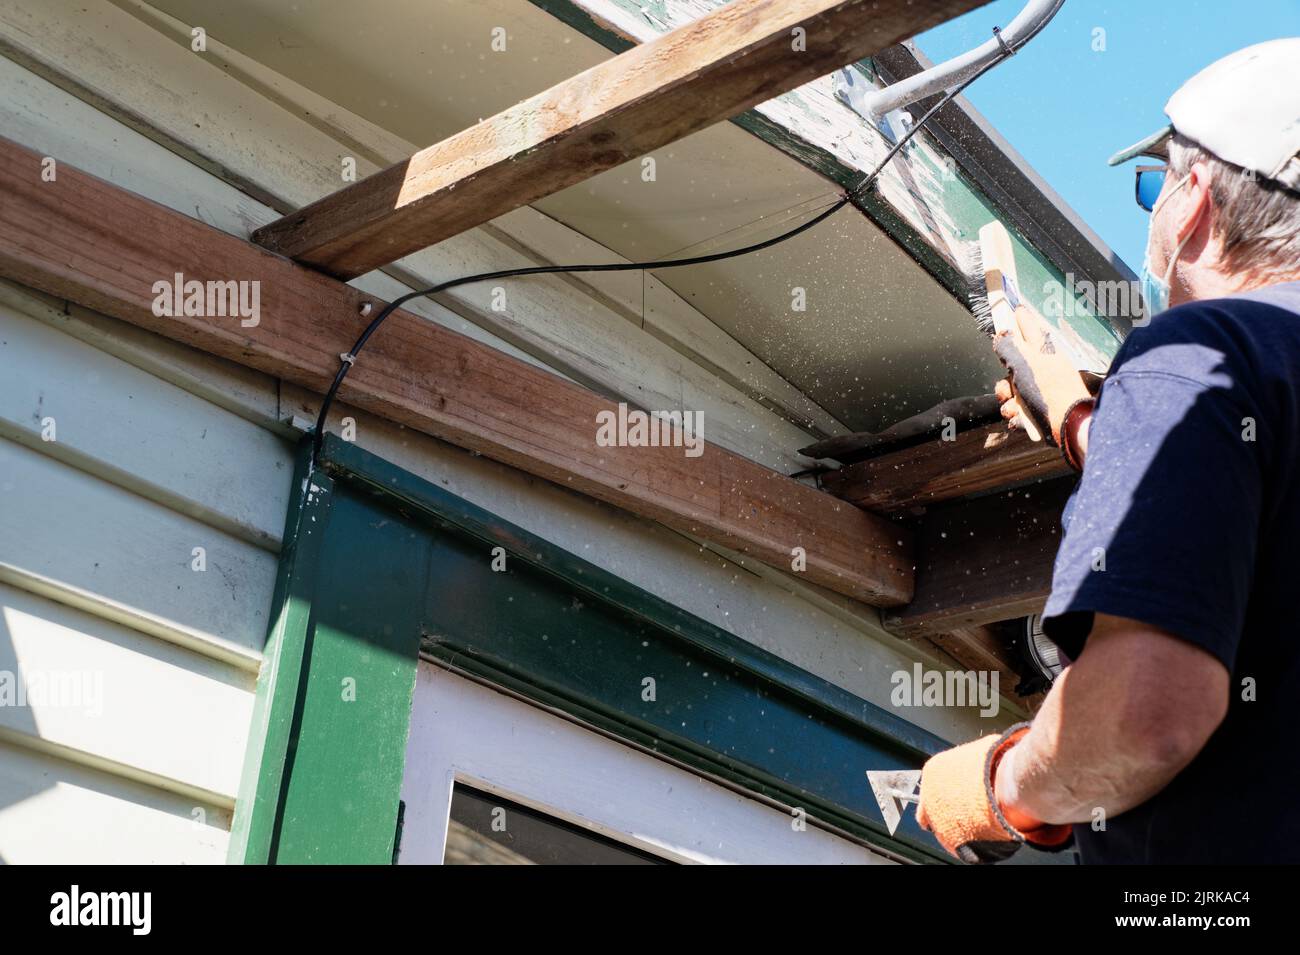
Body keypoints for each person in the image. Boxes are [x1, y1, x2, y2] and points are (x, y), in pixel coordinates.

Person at [915, 39, 1300, 864]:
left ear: (1194, 198)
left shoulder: (1202, 346)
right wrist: (1090, 425)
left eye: (1154, 185)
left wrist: (1003, 787)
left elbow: (1148, 713)